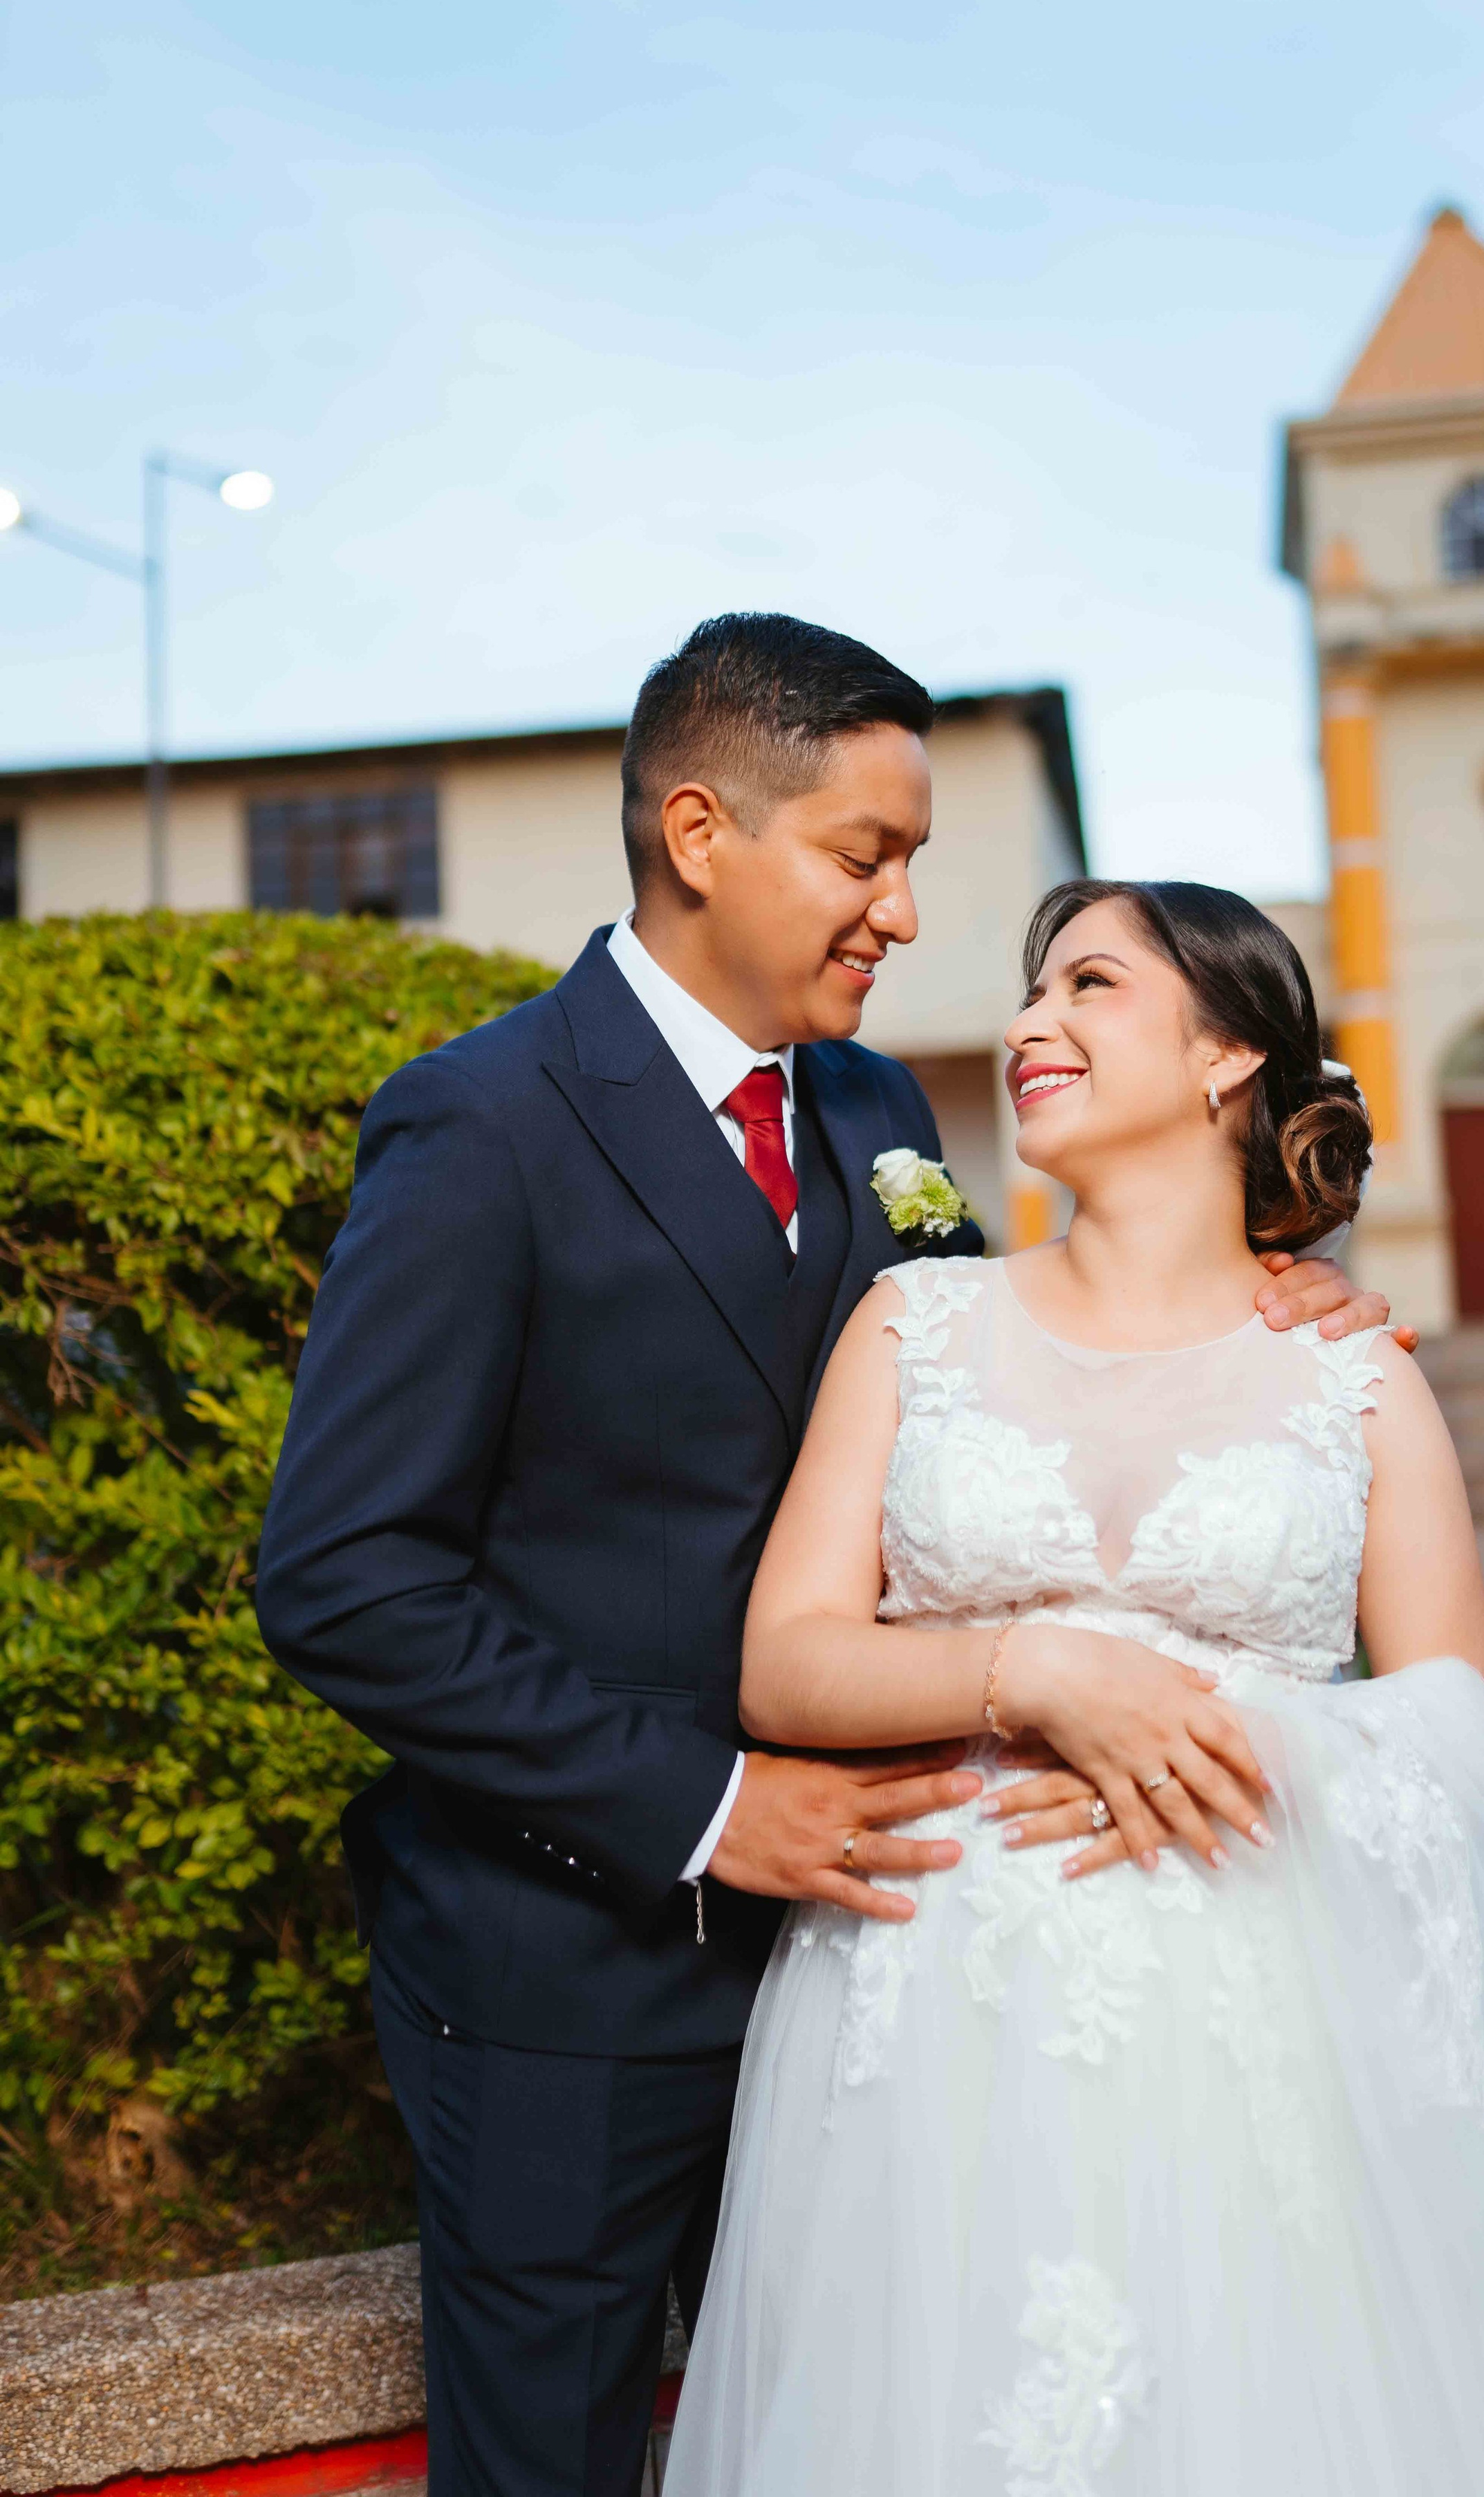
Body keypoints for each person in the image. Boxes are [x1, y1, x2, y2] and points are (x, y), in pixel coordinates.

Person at [254, 620, 1391, 2497]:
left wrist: (1263, 1297)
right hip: (575, 1966)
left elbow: (1001, 1376)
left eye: (914, 864)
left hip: (896, 1965)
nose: (908, 914)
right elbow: (348, 1574)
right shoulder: (484, 1126)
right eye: (868, 858)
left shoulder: (876, 1112)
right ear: (702, 832)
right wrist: (709, 1805)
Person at [666, 876, 1484, 2497]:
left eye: (1088, 986)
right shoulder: (914, 1323)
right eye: (1030, 990)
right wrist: (1032, 1670)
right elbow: (784, 1659)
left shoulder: (1353, 1374)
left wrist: (1230, 1734)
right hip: (938, 2031)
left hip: (1272, 2020)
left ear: (1225, 1055)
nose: (1031, 1022)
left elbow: (1460, 1729)